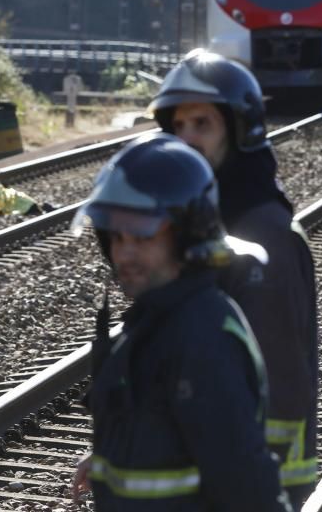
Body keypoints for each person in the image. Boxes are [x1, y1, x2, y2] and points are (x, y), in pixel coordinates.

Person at [68, 133, 292, 512]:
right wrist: (117, 458)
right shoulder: (155, 320)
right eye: (115, 236)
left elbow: (249, 488)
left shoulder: (203, 339)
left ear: (187, 235)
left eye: (142, 234)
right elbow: (168, 435)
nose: (124, 253)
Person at [148, 50, 319, 506]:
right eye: (177, 127)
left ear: (241, 130)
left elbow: (278, 389)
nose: (186, 140)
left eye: (202, 125)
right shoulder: (197, 221)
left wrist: (236, 479)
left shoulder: (265, 236)